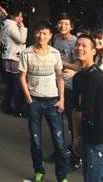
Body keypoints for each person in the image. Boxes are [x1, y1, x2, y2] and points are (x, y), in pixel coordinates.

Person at [19, 20, 69, 182]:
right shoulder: (26, 53)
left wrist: (62, 99)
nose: (41, 36)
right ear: (34, 34)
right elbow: (22, 77)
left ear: (50, 35)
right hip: (35, 101)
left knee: (59, 142)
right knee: (35, 140)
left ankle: (62, 177)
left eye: (45, 33)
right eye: (39, 32)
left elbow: (60, 77)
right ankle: (38, 170)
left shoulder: (55, 54)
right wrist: (28, 98)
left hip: (53, 102)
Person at [72, 34, 103, 182]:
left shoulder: (95, 76)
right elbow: (76, 109)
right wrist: (77, 137)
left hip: (101, 139)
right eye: (78, 45)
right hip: (87, 135)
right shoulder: (78, 77)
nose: (79, 48)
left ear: (93, 51)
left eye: (84, 46)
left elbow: (84, 108)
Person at [52, 13, 79, 162]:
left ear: (71, 26)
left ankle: (75, 152)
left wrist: (59, 62)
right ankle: (60, 150)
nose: (63, 26)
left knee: (71, 119)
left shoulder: (74, 41)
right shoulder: (55, 38)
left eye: (66, 24)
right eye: (61, 23)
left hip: (69, 86)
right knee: (57, 120)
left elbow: (76, 65)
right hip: (55, 84)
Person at [0, 6, 28, 116]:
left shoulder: (6, 24)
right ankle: (17, 108)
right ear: (12, 16)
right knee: (17, 84)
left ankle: (7, 105)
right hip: (14, 58)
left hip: (9, 57)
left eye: (21, 16)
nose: (20, 19)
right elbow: (21, 40)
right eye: (18, 16)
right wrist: (23, 28)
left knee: (11, 84)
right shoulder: (11, 25)